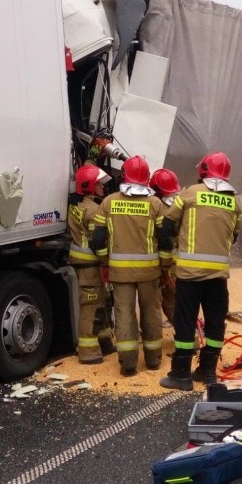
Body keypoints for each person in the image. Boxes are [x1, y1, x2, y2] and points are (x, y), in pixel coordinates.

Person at [159, 152, 242, 391]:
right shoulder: (234, 201)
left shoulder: (189, 194)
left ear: (203, 171)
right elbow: (234, 236)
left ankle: (180, 374)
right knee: (215, 323)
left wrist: (172, 247)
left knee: (185, 322)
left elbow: (167, 226)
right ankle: (207, 371)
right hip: (218, 277)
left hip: (190, 275)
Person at [90, 155, 171, 377]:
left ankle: (128, 364)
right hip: (150, 272)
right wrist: (165, 266)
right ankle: (153, 361)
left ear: (124, 176)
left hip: (120, 273)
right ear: (146, 178)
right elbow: (165, 241)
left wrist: (106, 262)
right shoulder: (156, 204)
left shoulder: (108, 203)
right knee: (152, 313)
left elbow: (97, 240)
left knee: (124, 315)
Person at [68, 164, 115, 364]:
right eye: (99, 184)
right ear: (89, 186)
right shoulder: (94, 210)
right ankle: (88, 352)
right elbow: (99, 241)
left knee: (101, 302)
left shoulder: (77, 205)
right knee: (91, 306)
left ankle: (104, 343)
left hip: (83, 263)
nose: (103, 188)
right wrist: (107, 261)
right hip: (91, 265)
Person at [150, 168, 180, 327]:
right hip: (177, 262)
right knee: (175, 299)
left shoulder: (159, 207)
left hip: (166, 263)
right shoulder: (178, 204)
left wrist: (165, 268)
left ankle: (188, 335)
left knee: (169, 299)